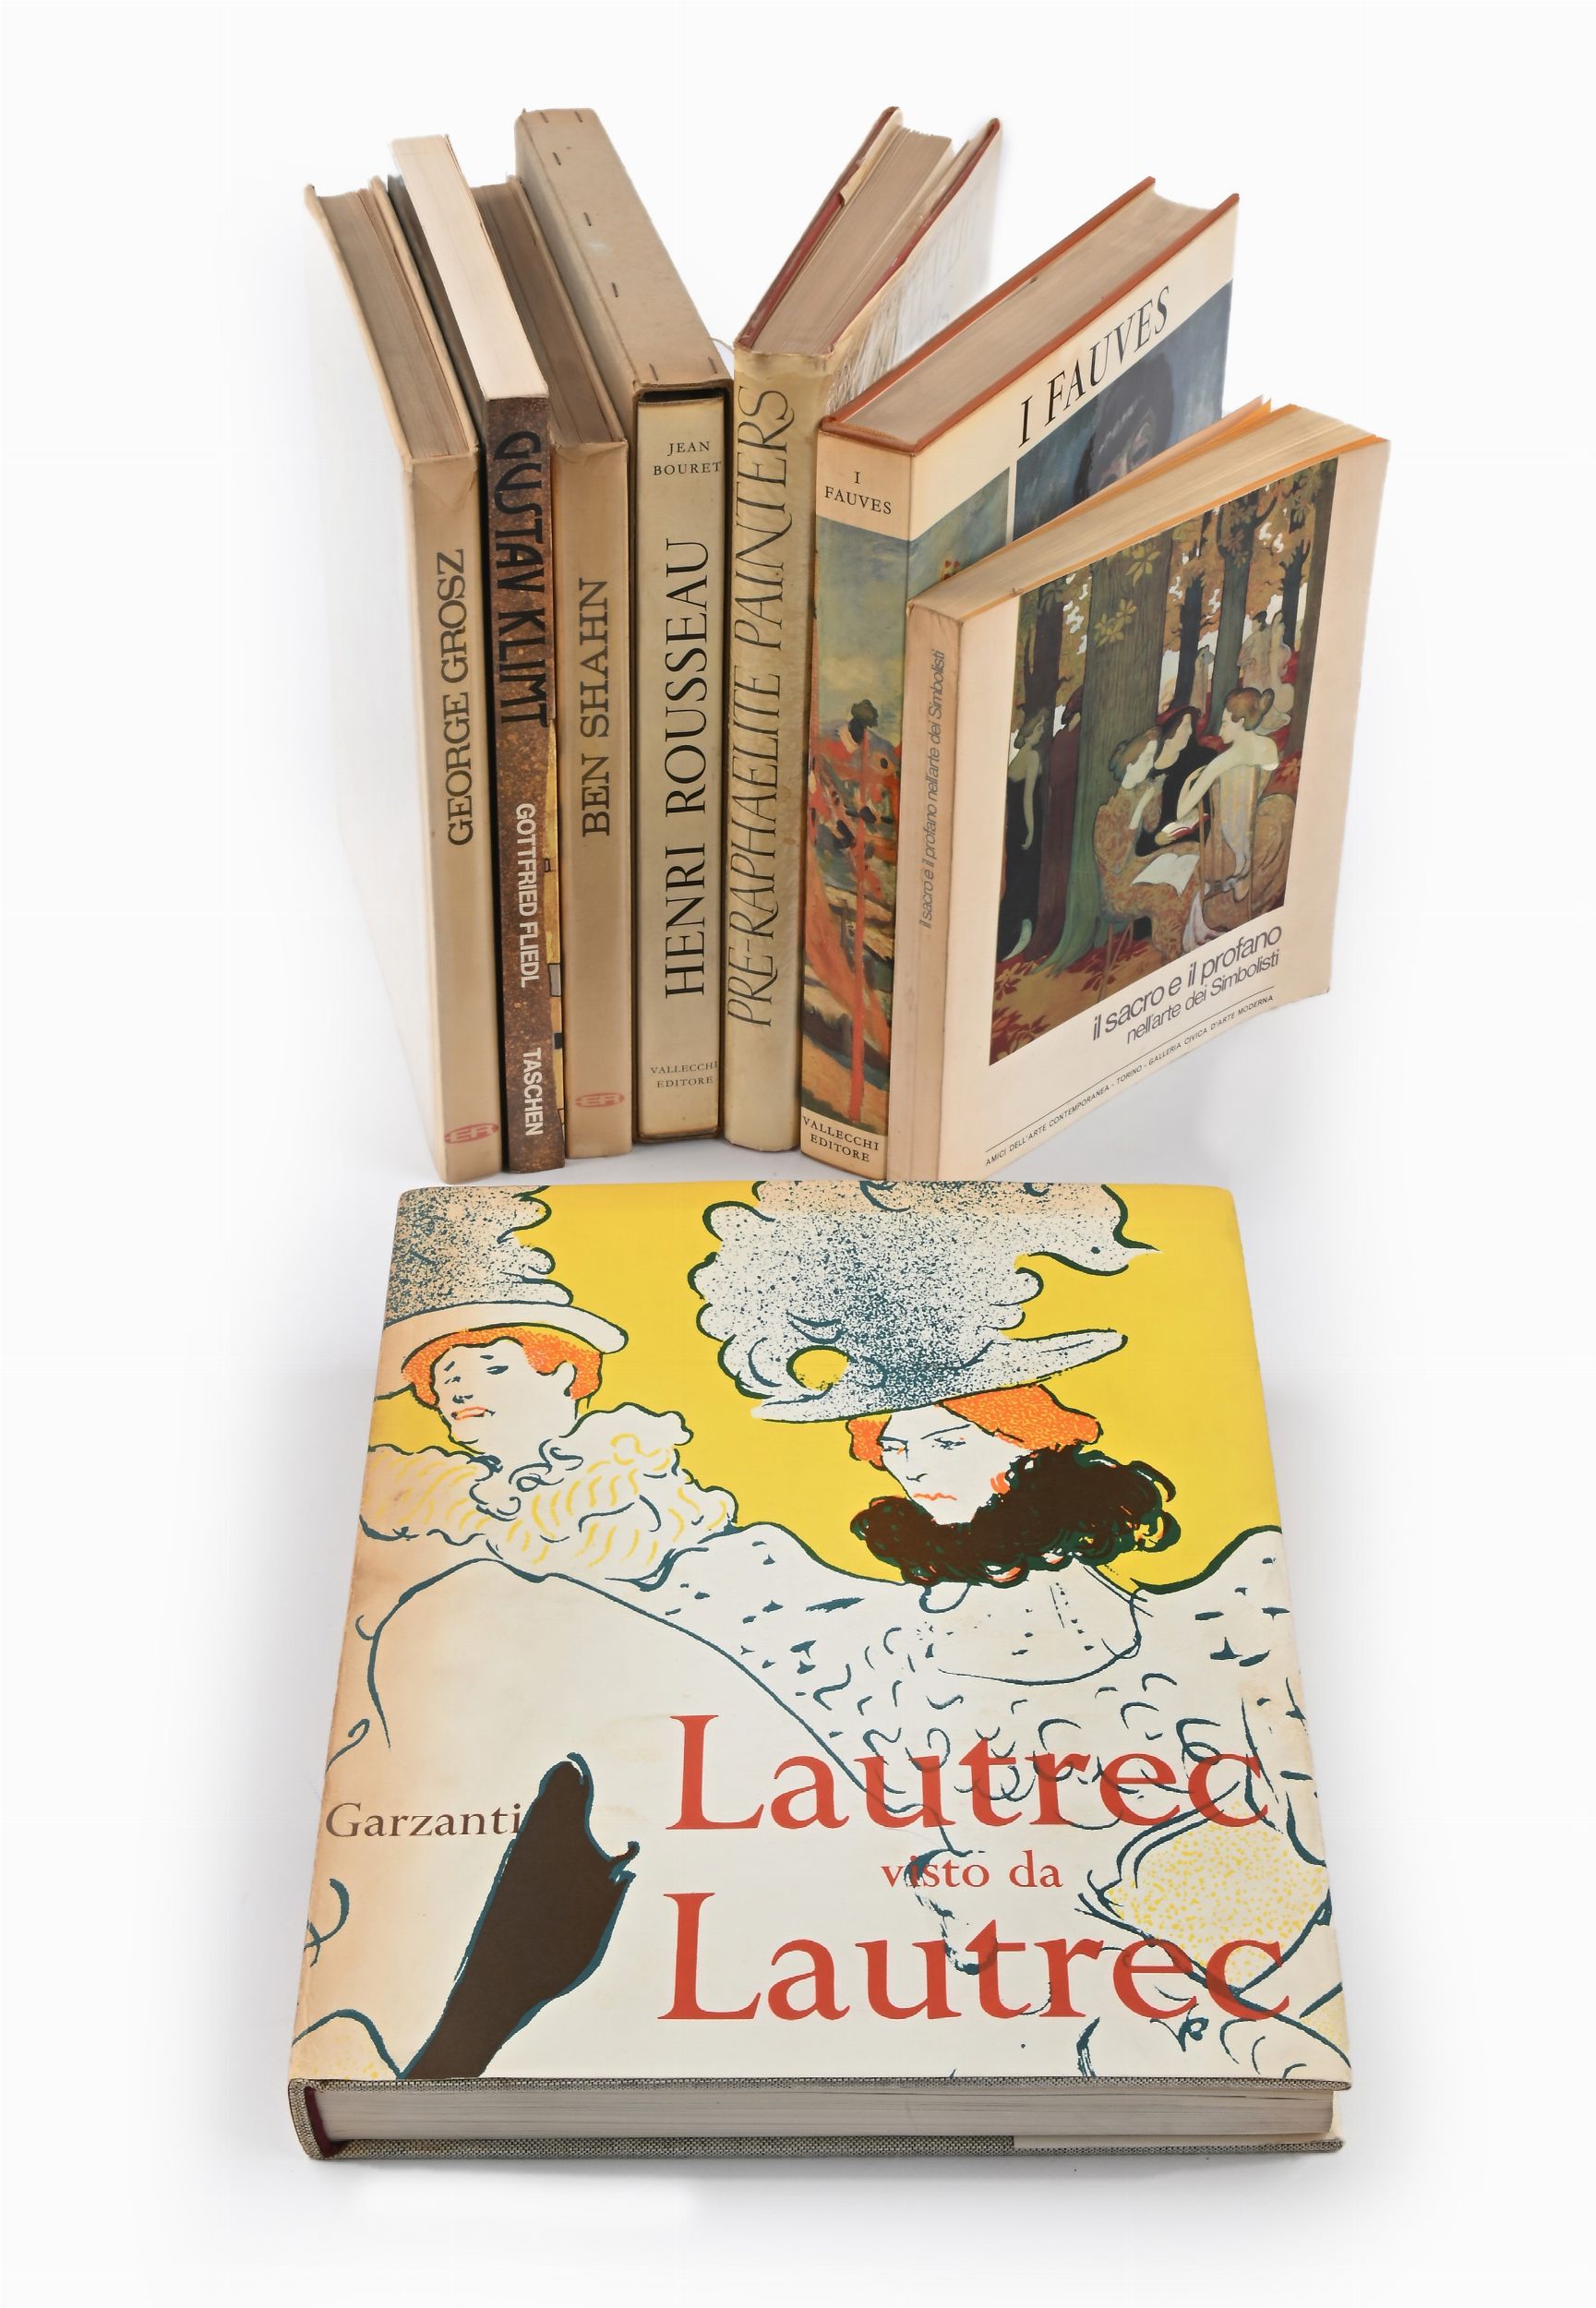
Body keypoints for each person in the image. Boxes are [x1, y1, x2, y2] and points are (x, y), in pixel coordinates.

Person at [1177, 685, 1280, 897]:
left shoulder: (1221, 763)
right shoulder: (1269, 747)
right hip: (1259, 828)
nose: (1219, 731)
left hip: (1225, 845)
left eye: (1224, 724)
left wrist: (1187, 782)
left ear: (1240, 722)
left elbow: (1181, 812)